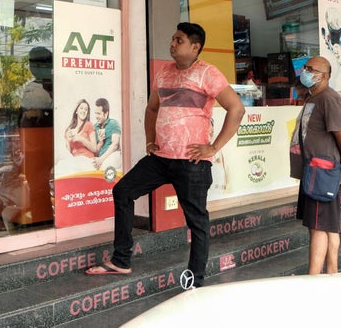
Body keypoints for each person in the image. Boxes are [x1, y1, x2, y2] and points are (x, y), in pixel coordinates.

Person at [85, 22, 245, 288]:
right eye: (172, 39)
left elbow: (236, 110)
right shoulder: (163, 72)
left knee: (197, 222)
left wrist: (213, 148)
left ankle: (195, 281)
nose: (172, 44)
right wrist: (150, 140)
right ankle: (121, 260)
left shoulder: (208, 73)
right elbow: (151, 109)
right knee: (123, 191)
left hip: (192, 163)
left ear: (195, 47)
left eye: (179, 40)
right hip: (161, 159)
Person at [289, 56, 341, 274]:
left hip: (322, 171)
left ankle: (314, 279)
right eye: (305, 68)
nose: (305, 72)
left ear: (324, 75)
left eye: (310, 69)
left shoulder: (329, 98)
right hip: (313, 171)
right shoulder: (312, 97)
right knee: (325, 225)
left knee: (319, 227)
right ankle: (332, 274)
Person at [92, 97, 122, 170]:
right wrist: (100, 142)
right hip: (99, 159)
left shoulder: (113, 123)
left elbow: (115, 144)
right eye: (95, 113)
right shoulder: (95, 127)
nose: (96, 116)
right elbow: (94, 150)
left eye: (98, 114)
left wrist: (101, 159)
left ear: (106, 113)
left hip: (111, 156)